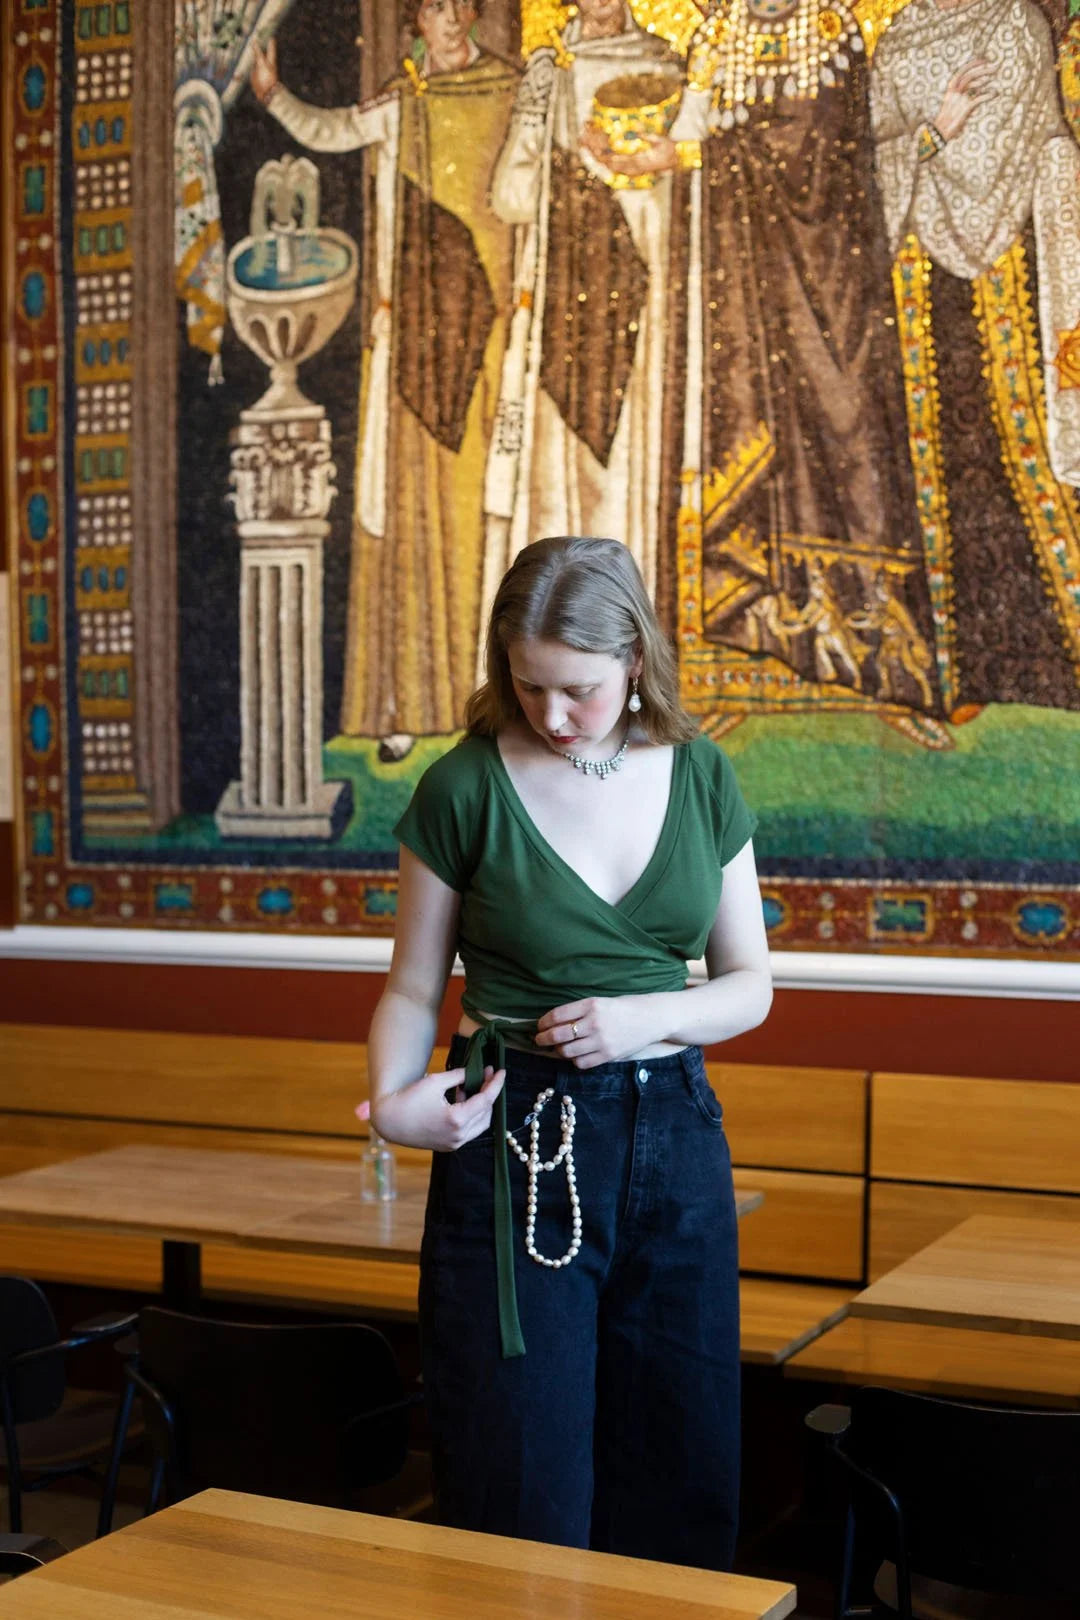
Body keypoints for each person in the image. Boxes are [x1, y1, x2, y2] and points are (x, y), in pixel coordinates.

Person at [365, 535, 772, 1570]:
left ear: (635, 659)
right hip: (515, 1143)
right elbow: (415, 988)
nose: (551, 715)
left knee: (680, 1480)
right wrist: (392, 1101)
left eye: (577, 690)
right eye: (527, 683)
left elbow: (750, 989)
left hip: (677, 1144)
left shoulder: (705, 775)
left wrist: (648, 1016)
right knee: (517, 1486)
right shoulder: (464, 786)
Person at [587, 0, 949, 745]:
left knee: (856, 449)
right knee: (742, 449)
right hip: (743, 305)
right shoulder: (719, 41)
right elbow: (691, 131)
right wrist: (636, 155)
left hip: (835, 293)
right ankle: (738, 664)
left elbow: (828, 152)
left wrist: (686, 157)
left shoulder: (835, 34)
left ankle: (884, 675)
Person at [250, 2, 519, 762]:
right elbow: (336, 131)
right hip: (414, 338)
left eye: (460, 4)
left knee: (487, 514)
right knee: (406, 514)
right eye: (435, 7)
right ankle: (408, 700)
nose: (451, 20)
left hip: (490, 329)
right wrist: (272, 96)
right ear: (416, 23)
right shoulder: (405, 99)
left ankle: (494, 699)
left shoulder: (514, 85)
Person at [870, 0, 1080, 714]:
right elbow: (870, 156)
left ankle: (1056, 660)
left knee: (1014, 446)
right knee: (936, 465)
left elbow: (1007, 150)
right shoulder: (898, 37)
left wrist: (928, 141)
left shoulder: (1013, 22)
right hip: (916, 272)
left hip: (1006, 266)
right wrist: (933, 132)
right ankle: (960, 674)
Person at [481, 0, 681, 613]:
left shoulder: (666, 64)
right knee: (565, 463)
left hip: (645, 284)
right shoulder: (550, 69)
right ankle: (563, 620)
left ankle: (633, 621)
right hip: (565, 289)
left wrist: (651, 163)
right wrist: (564, 153)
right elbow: (511, 197)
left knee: (631, 451)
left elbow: (692, 196)